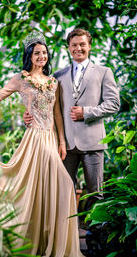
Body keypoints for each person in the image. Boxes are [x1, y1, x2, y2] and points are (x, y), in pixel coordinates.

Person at [0, 30, 91, 257]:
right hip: (32, 142)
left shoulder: (54, 82)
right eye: (37, 53)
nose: (41, 56)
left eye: (44, 53)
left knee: (63, 185)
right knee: (28, 189)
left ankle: (56, 247)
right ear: (29, 56)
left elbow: (57, 115)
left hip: (50, 141)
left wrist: (61, 142)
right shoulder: (20, 79)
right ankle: (27, 243)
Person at [24, 28, 120, 209]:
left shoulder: (103, 72)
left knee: (96, 193)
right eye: (74, 45)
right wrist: (30, 114)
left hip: (93, 143)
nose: (78, 48)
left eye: (82, 44)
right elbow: (48, 106)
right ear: (68, 48)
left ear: (89, 46)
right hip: (65, 145)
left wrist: (87, 112)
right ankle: (66, 235)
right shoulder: (57, 76)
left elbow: (114, 103)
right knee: (64, 191)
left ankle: (93, 235)